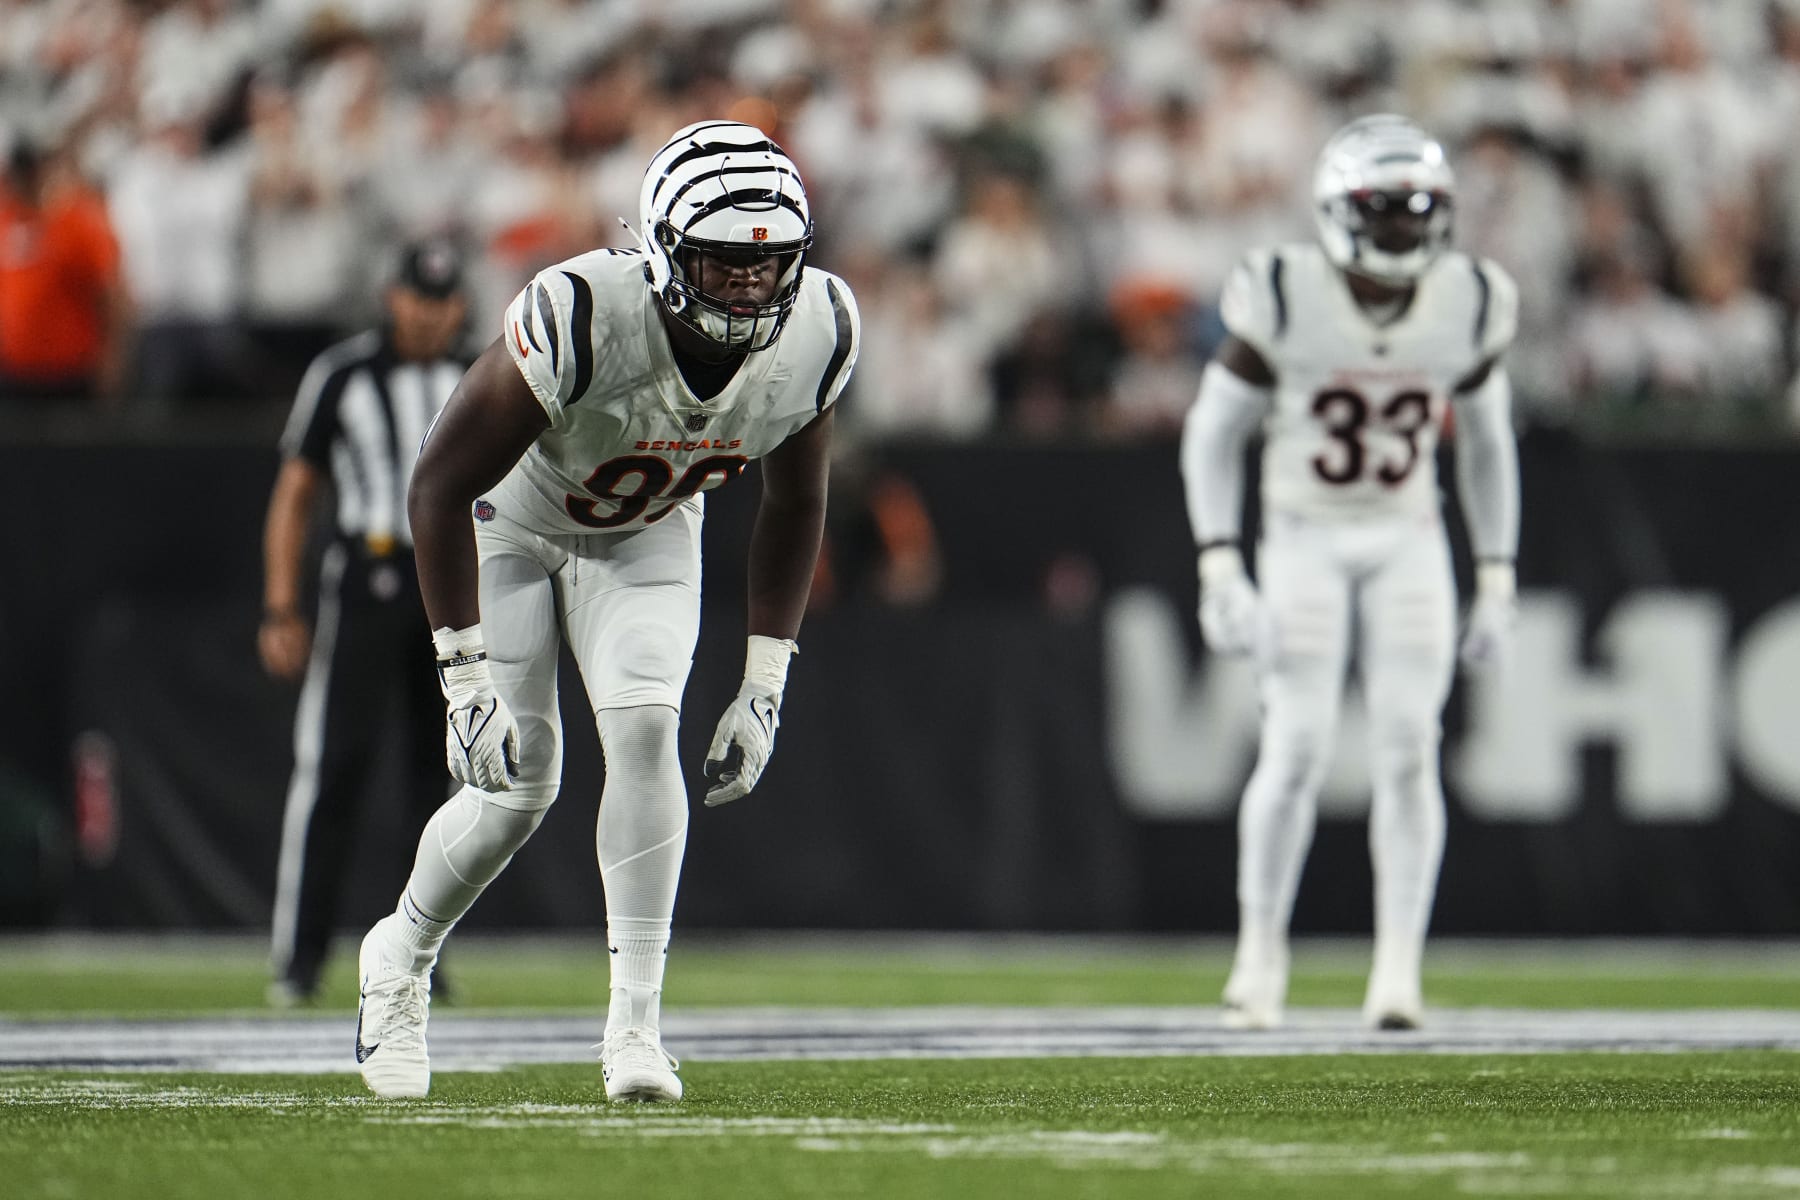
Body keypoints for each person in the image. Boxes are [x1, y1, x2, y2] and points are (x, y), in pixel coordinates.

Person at [352, 121, 858, 1102]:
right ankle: (399, 956)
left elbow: (798, 501)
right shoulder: (583, 310)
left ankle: (635, 1028)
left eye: (770, 266)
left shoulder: (822, 330)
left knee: (644, 733)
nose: (752, 288)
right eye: (724, 263)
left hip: (647, 531)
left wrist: (764, 684)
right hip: (512, 518)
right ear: (665, 251)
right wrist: (460, 674)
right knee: (519, 784)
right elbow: (440, 481)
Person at [1179, 115, 1521, 1031]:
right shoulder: (1284, 290)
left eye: (1418, 210)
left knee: (1412, 746)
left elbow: (1487, 446)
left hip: (1408, 532)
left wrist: (1494, 571)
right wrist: (1220, 561)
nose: (1404, 229)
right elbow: (1213, 431)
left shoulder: (1472, 298)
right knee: (1295, 746)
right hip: (1304, 535)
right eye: (1385, 209)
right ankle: (1260, 958)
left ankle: (1398, 972)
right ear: (1339, 209)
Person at [260, 237, 471, 1007]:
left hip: (452, 582)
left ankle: (424, 954)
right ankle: (300, 957)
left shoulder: (478, 375)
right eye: (419, 298)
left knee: (442, 779)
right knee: (333, 769)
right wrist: (282, 604)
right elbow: (295, 491)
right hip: (368, 574)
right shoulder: (343, 373)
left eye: (443, 301)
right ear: (394, 297)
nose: (429, 315)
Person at [0, 139, 129, 407]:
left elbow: (112, 294)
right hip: (14, 369)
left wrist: (112, 357)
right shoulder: (6, 219)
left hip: (71, 370)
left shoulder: (79, 221)